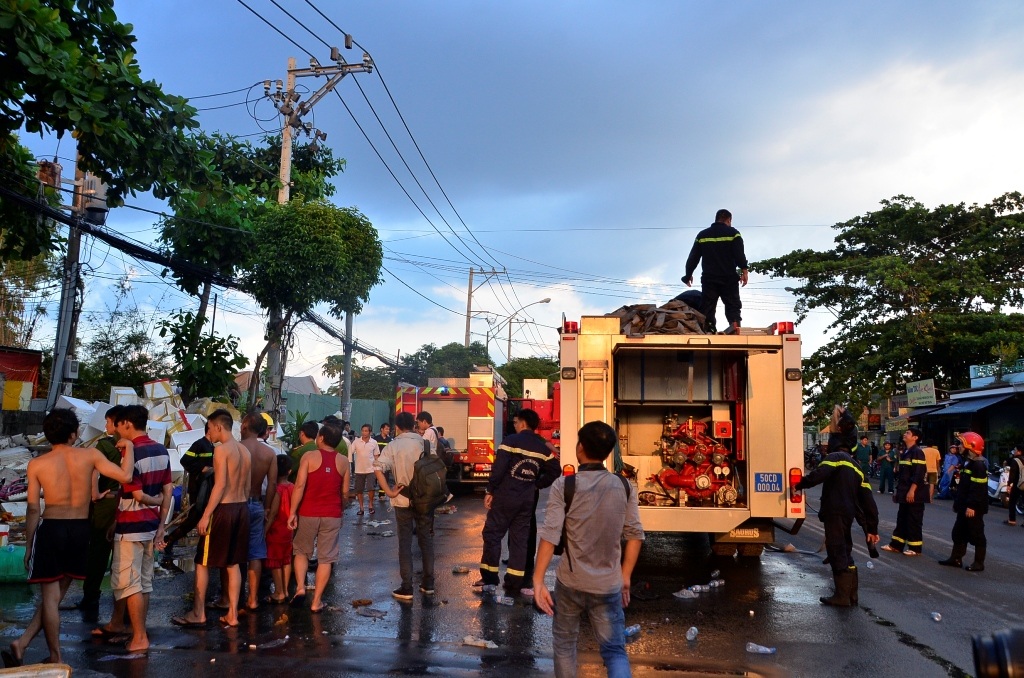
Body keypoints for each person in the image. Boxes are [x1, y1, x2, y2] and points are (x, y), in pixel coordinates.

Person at [4, 409, 135, 667]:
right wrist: (129, 447)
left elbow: (33, 509)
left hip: (51, 529)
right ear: (74, 434)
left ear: (48, 435)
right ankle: (22, 643)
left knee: (50, 599)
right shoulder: (90, 455)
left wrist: (29, 545)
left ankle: (54, 655)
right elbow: (126, 476)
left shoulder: (37, 464)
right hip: (80, 530)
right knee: (54, 599)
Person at [533, 421, 644, 678]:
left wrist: (538, 581)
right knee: (615, 651)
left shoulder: (564, 485)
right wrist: (625, 576)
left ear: (580, 447)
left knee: (565, 645)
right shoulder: (625, 486)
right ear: (608, 452)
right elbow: (635, 535)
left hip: (570, 584)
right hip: (608, 585)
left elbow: (550, 536)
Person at [94, 404, 173, 653]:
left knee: (129, 583)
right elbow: (168, 489)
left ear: (127, 423)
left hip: (132, 528)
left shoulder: (131, 452)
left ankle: (139, 636)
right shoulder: (160, 449)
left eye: (118, 425)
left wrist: (154, 501)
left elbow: (136, 494)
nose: (116, 430)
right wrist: (161, 525)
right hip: (149, 526)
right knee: (144, 582)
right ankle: (130, 629)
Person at [168, 409, 251, 629]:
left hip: (223, 510)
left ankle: (198, 613)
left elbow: (220, 485)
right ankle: (232, 614)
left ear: (219, 427)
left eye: (211, 428)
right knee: (233, 562)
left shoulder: (221, 450)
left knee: (202, 561)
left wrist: (205, 515)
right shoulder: (245, 451)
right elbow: (248, 487)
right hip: (242, 508)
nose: (209, 433)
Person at [795, 414, 879, 607]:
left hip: (835, 512)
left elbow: (817, 475)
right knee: (846, 549)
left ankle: (841, 597)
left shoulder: (835, 458)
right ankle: (852, 595)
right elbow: (868, 501)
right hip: (848, 515)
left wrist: (799, 484)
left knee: (836, 550)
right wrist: (872, 528)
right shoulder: (857, 468)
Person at [476, 408, 560, 597]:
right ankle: (514, 584)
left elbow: (499, 469)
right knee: (519, 540)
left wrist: (490, 490)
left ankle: (490, 579)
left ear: (522, 423)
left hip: (505, 496)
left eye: (515, 422)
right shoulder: (542, 448)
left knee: (492, 534)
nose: (514, 425)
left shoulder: (511, 441)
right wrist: (536, 484)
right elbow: (555, 470)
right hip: (526, 500)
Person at [63, 404, 124, 620]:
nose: (106, 426)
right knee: (123, 553)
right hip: (127, 502)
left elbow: (93, 470)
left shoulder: (105, 445)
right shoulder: (131, 446)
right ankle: (124, 599)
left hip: (107, 503)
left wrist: (94, 493)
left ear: (116, 423)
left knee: (98, 551)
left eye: (108, 422)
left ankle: (91, 596)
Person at [287, 421, 350, 612]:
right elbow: (345, 492)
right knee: (326, 558)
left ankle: (300, 587)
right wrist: (340, 510)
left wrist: (292, 512)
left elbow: (299, 486)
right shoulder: (343, 461)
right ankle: (316, 602)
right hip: (332, 514)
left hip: (308, 512)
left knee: (301, 552)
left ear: (320, 438)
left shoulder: (309, 456)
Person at [374, 412, 435, 601]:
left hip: (402, 499)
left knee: (405, 543)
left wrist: (389, 491)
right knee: (426, 540)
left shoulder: (393, 446)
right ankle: (428, 584)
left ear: (397, 427)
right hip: (425, 500)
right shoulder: (426, 444)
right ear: (414, 425)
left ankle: (407, 587)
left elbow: (377, 467)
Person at [681, 208, 748, 333]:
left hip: (709, 279)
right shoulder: (733, 234)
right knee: (733, 306)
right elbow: (739, 254)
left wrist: (688, 274)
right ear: (729, 220)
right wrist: (744, 270)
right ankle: (735, 327)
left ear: (716, 219)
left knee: (708, 308)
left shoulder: (702, 235)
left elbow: (693, 257)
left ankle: (709, 329)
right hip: (729, 278)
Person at [160, 425, 215, 569]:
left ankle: (171, 540)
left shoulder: (211, 446)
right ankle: (169, 539)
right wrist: (202, 469)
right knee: (194, 519)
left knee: (195, 519)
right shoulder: (200, 444)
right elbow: (185, 460)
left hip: (206, 489)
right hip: (198, 489)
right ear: (210, 430)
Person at [240, 413, 277, 612]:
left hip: (236, 504)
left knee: (235, 552)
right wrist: (267, 507)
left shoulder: (236, 448)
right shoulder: (269, 453)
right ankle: (253, 599)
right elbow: (272, 484)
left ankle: (231, 597)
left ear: (245, 426)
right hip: (257, 504)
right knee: (255, 553)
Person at [939, 432, 989, 571]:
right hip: (964, 505)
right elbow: (963, 487)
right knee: (959, 533)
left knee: (976, 534)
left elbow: (978, 489)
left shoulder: (978, 465)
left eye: (961, 444)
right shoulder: (968, 463)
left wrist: (972, 506)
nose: (959, 446)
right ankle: (956, 558)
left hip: (973, 508)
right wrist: (958, 504)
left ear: (971, 446)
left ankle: (979, 563)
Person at [881, 427, 928, 556]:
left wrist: (912, 490)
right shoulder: (905, 452)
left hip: (915, 494)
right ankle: (896, 545)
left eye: (908, 433)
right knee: (901, 519)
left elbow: (919, 473)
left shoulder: (917, 452)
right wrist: (898, 492)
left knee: (913, 521)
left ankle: (915, 548)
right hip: (904, 491)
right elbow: (902, 476)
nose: (905, 434)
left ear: (915, 438)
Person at [264, 454, 295, 603]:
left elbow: (273, 514)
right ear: (290, 471)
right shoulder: (293, 487)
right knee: (286, 559)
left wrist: (264, 531)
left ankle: (279, 591)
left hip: (276, 530)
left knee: (275, 560)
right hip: (288, 530)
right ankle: (286, 590)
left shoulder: (278, 490)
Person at [350, 424, 379, 516]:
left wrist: (377, 468)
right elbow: (350, 452)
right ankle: (361, 508)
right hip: (359, 469)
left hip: (371, 469)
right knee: (359, 489)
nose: (364, 432)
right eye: (362, 431)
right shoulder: (356, 442)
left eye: (366, 431)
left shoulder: (374, 442)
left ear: (370, 432)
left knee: (371, 488)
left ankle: (370, 505)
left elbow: (376, 456)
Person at [373, 422, 393, 500]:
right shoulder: (376, 439)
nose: (388, 431)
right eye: (386, 429)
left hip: (385, 462)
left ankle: (382, 494)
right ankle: (372, 492)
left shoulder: (390, 440)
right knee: (374, 478)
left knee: (385, 478)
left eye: (388, 429)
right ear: (382, 429)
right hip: (376, 461)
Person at [1006, 444, 1024, 526]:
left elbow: (1012, 474)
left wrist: (1009, 484)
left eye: (1015, 450)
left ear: (1019, 451)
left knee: (1012, 502)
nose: (1014, 451)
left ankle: (1012, 520)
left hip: (1018, 485)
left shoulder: (1015, 460)